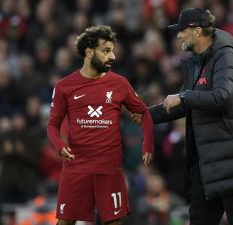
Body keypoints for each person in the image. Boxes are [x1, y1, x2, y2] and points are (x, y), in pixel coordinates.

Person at [132, 8, 233, 225]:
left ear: (197, 31)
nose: (178, 36)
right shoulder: (197, 62)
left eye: (182, 30)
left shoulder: (226, 56)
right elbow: (186, 104)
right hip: (206, 165)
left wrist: (183, 97)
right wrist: (145, 115)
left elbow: (222, 96)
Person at [47, 25, 154, 225]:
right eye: (106, 51)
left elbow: (144, 112)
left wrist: (148, 144)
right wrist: (59, 146)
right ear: (89, 52)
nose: (112, 56)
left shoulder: (120, 84)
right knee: (64, 222)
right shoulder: (64, 86)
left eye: (112, 50)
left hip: (109, 167)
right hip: (76, 166)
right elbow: (52, 125)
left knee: (113, 223)